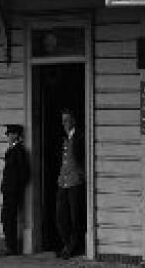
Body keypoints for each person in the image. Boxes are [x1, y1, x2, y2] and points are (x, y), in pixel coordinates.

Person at [54, 108, 85, 259]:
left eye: (66, 120)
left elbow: (83, 159)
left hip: (75, 182)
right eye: (62, 120)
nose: (64, 123)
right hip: (63, 182)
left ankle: (73, 248)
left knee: (75, 218)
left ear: (73, 121)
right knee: (61, 217)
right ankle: (67, 245)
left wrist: (81, 175)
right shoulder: (63, 138)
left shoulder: (80, 137)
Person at [0, 124, 30, 257]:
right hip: (8, 190)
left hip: (13, 191)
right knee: (6, 218)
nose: (8, 137)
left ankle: (11, 247)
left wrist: (16, 187)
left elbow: (24, 172)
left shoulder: (19, 150)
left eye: (10, 134)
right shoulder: (12, 149)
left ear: (16, 135)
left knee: (9, 218)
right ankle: (9, 245)